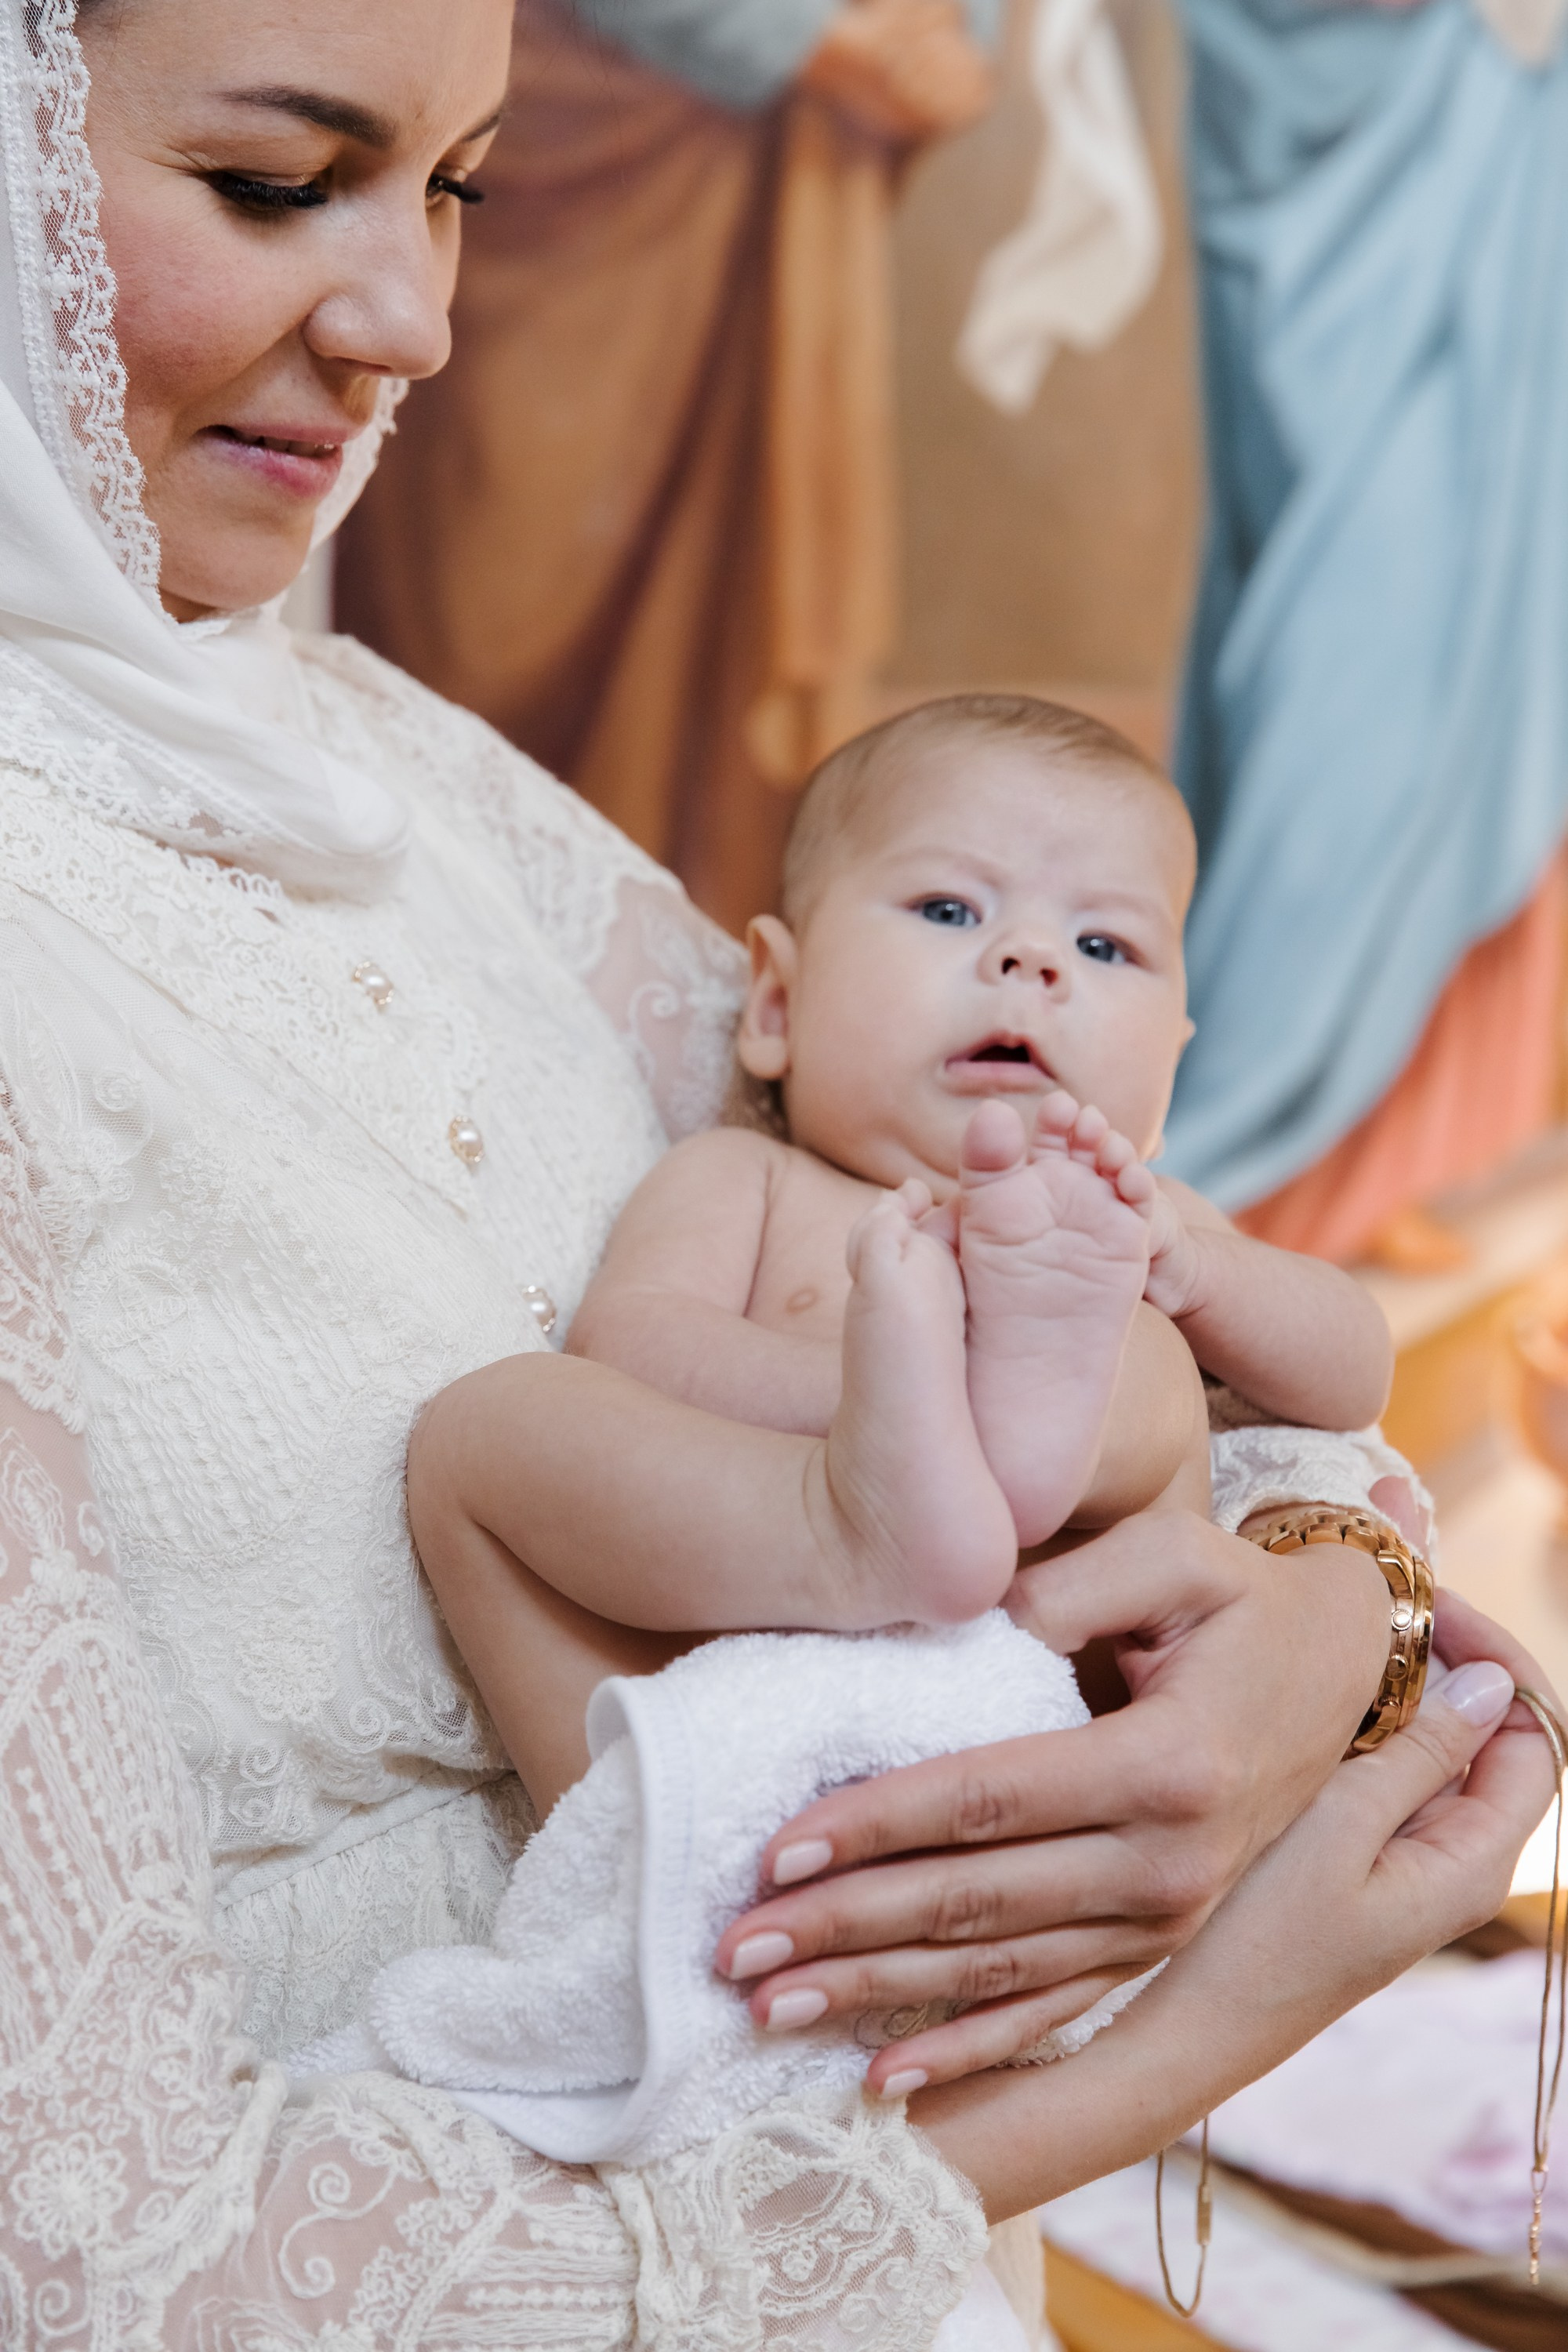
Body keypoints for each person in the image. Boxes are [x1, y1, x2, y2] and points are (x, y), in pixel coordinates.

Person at [0, 0, 1553, 2342]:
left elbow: (1219, 1369)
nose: (415, 318)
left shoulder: (388, 769)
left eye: (455, 187)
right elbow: (136, 2273)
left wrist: (1302, 1622)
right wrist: (1194, 2028)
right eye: (272, 182)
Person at [408, 694, 1393, 1831]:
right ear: (776, 1002)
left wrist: (1197, 1276)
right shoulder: (754, 1180)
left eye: (1103, 944)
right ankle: (853, 1531)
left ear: (1172, 1063)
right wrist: (887, 1402)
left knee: (1147, 1360)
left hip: (1052, 1716)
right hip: (749, 1729)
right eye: (948, 907)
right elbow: (633, 1347)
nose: (1028, 959)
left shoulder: (1139, 1222)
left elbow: (1354, 1373)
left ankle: (1013, 1438)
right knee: (499, 1421)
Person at [334, 0, 1002, 932]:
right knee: (489, 600)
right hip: (579, 139)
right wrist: (801, 39)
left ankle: (681, 956)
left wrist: (950, 36)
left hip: (783, 158)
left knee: (725, 607)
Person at [1162, 0, 1568, 1270]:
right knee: (1353, 672)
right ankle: (1249, 1141)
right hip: (1353, 149)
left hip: (1495, 143)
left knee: (1483, 640)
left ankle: (1381, 1145)